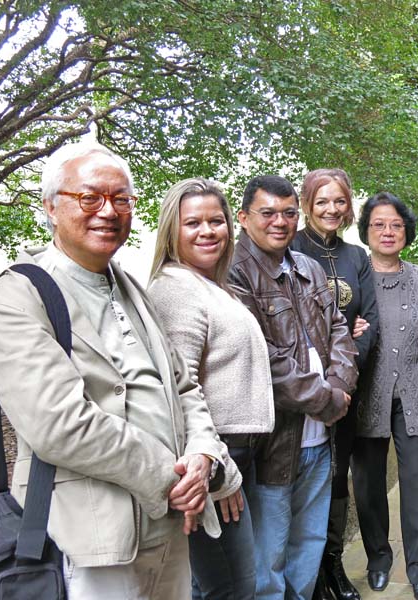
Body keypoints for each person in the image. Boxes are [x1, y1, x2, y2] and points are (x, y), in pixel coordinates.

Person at [0, 142, 223, 599]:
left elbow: (183, 388)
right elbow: (58, 424)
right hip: (89, 541)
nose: (108, 211)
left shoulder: (130, 286)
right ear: (51, 207)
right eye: (89, 198)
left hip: (171, 526)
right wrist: (171, 477)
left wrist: (204, 457)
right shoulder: (17, 294)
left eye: (121, 199)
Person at [229, 175, 359, 600]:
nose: (280, 222)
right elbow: (262, 359)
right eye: (267, 213)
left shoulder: (308, 267)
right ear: (244, 217)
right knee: (268, 558)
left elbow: (339, 330)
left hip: (320, 441)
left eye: (288, 213)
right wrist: (326, 400)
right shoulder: (234, 272)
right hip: (274, 445)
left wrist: (339, 384)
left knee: (309, 545)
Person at [148, 177, 275, 600]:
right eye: (193, 223)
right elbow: (179, 390)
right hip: (213, 458)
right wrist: (217, 469)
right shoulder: (175, 289)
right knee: (230, 587)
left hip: (235, 455)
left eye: (216, 221)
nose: (207, 231)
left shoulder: (208, 284)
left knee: (223, 584)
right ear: (172, 230)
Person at [291, 168, 379, 600]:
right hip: (300, 389)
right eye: (322, 201)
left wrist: (342, 378)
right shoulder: (290, 246)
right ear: (306, 203)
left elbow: (370, 321)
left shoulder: (357, 257)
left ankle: (332, 563)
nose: (331, 209)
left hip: (346, 388)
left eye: (339, 201)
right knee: (298, 480)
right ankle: (303, 573)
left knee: (337, 476)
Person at [350, 192, 418, 600]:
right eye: (378, 224)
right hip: (366, 396)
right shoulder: (354, 278)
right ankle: (378, 559)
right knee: (368, 484)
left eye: (396, 225)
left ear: (407, 231)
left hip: (417, 395)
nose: (388, 231)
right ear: (366, 231)